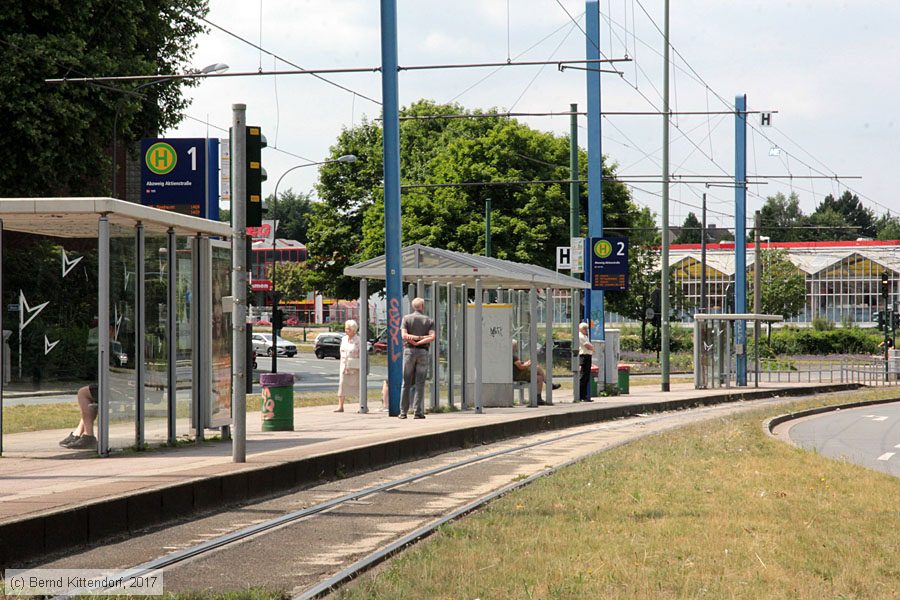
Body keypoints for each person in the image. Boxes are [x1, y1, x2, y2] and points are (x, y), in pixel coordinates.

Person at [400, 297, 435, 419]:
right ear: (423, 307)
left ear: (413, 306)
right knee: (420, 383)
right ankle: (417, 411)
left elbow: (404, 335)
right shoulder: (429, 320)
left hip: (409, 351)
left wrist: (413, 340)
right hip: (423, 352)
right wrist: (421, 340)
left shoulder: (406, 319)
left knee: (406, 382)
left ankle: (403, 412)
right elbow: (432, 337)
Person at [511, 339, 559, 405]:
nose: (516, 348)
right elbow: (521, 367)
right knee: (537, 368)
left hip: (517, 375)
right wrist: (528, 364)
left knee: (539, 378)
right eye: (515, 346)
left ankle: (538, 398)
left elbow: (520, 365)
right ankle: (549, 384)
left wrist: (526, 363)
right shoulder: (513, 357)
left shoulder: (511, 356)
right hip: (519, 375)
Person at [59, 384, 99, 450]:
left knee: (83, 392)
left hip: (114, 390)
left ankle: (88, 436)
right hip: (116, 389)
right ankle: (77, 433)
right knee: (90, 397)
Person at [336, 319, 362, 412]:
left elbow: (361, 353)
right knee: (342, 384)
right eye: (346, 328)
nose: (346, 330)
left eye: (348, 329)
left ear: (354, 330)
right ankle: (340, 406)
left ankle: (361, 405)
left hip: (355, 366)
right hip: (344, 366)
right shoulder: (343, 339)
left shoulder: (359, 340)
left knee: (358, 386)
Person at [578, 322, 594, 402]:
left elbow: (590, 346)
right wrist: (592, 347)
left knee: (586, 376)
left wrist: (591, 347)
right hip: (584, 356)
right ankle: (581, 396)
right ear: (580, 329)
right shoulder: (580, 336)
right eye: (584, 328)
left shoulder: (585, 336)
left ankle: (584, 396)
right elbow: (588, 346)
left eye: (586, 328)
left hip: (588, 356)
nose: (586, 330)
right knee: (583, 376)